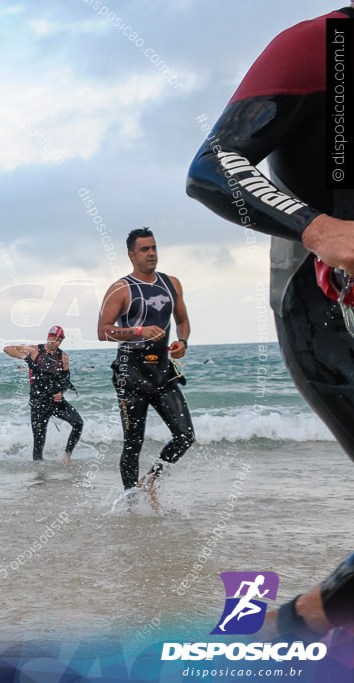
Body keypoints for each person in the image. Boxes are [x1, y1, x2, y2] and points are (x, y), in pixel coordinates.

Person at [186, 6, 354, 642]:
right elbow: (213, 165)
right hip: (324, 305)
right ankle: (272, 630)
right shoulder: (317, 46)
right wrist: (318, 227)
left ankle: (271, 630)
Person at [97, 228, 194, 501]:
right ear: (131, 255)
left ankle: (151, 479)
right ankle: (131, 500)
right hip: (131, 373)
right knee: (133, 444)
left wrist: (182, 342)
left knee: (185, 436)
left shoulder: (171, 283)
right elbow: (103, 331)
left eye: (153, 248)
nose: (151, 253)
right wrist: (139, 331)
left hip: (162, 372)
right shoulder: (121, 289)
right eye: (144, 249)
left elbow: (182, 320)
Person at [3, 326, 82, 464]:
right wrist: (25, 358)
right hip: (38, 403)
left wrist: (61, 393)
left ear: (61, 340)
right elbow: (8, 349)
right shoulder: (34, 350)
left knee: (78, 423)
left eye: (57, 339)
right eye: (52, 337)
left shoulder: (63, 357)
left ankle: (67, 455)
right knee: (39, 442)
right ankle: (39, 475)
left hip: (55, 402)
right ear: (48, 336)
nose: (54, 341)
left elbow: (65, 380)